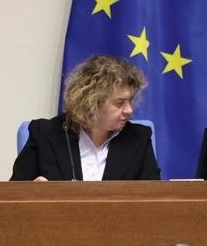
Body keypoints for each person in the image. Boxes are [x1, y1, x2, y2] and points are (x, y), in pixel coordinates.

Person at [10, 55, 161, 181]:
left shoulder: (139, 138)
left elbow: (154, 198)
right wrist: (32, 192)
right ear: (91, 102)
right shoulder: (44, 134)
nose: (129, 110)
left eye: (131, 100)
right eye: (119, 103)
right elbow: (11, 197)